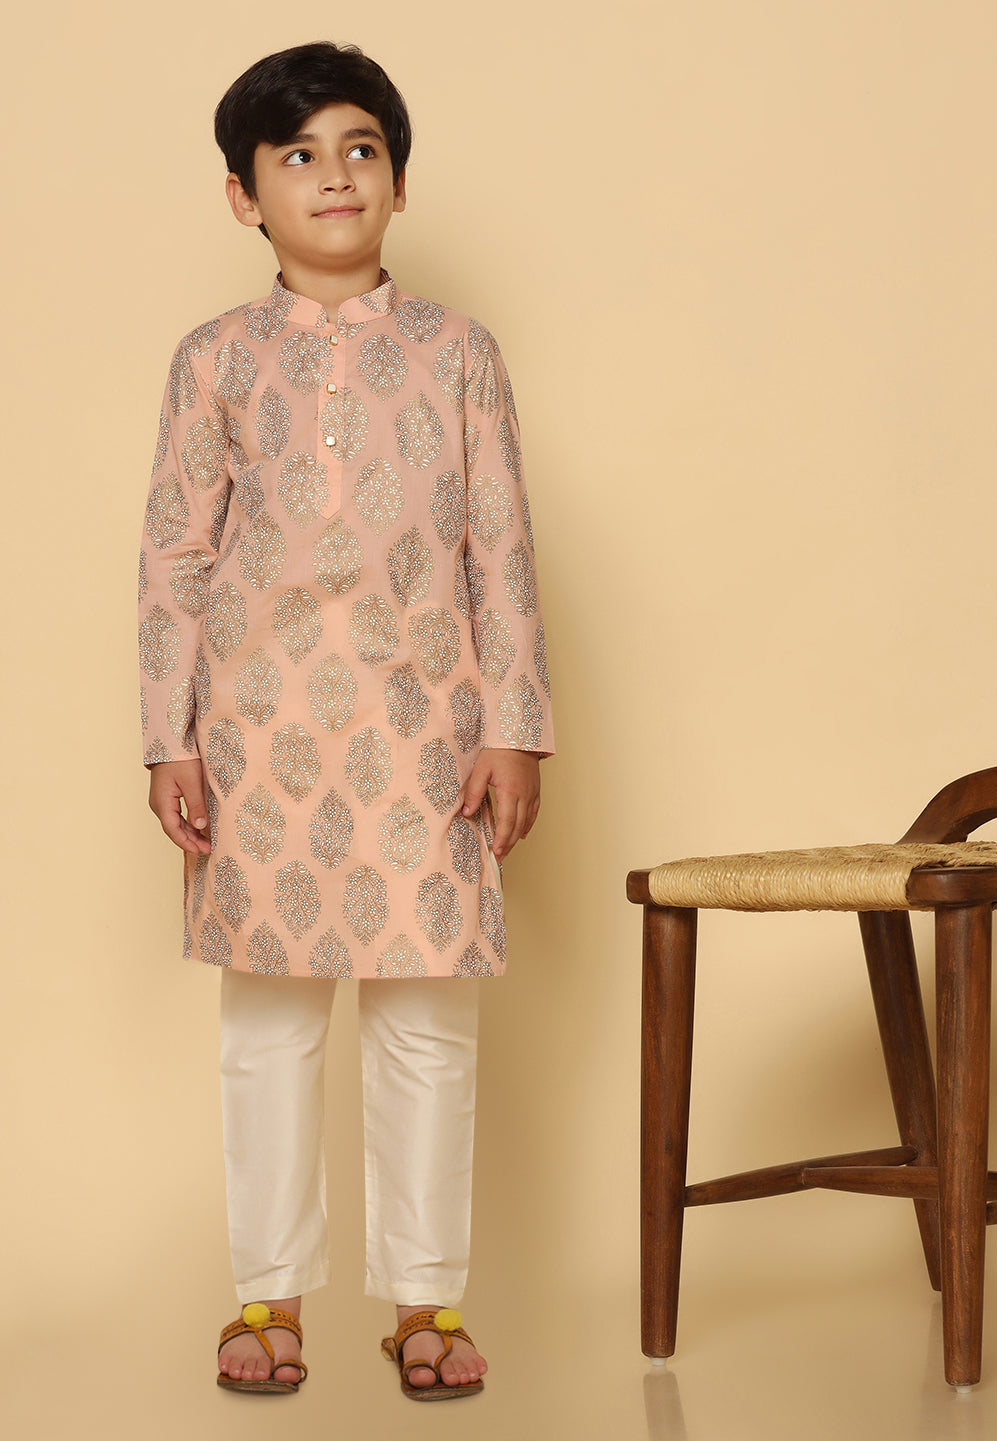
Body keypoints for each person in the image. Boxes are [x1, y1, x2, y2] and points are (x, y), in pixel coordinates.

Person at [136, 39, 555, 1400]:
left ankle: (429, 1303)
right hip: (258, 734)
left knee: (427, 1020)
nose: (334, 175)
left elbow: (501, 546)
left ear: (399, 181)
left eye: (360, 149)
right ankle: (267, 1300)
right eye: (298, 154)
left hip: (428, 731)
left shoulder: (459, 354)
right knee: (268, 1026)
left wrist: (514, 724)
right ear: (244, 196)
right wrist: (169, 735)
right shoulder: (215, 361)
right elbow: (175, 557)